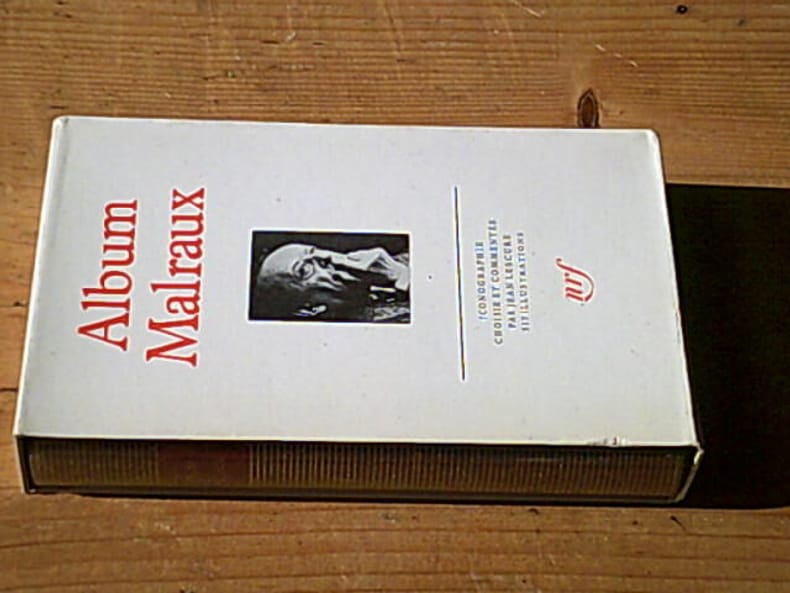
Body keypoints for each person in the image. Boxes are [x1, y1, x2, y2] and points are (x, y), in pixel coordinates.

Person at [251, 243, 410, 323]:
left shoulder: (398, 260)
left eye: (314, 251)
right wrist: (400, 276)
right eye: (305, 269)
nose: (326, 257)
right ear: (310, 309)